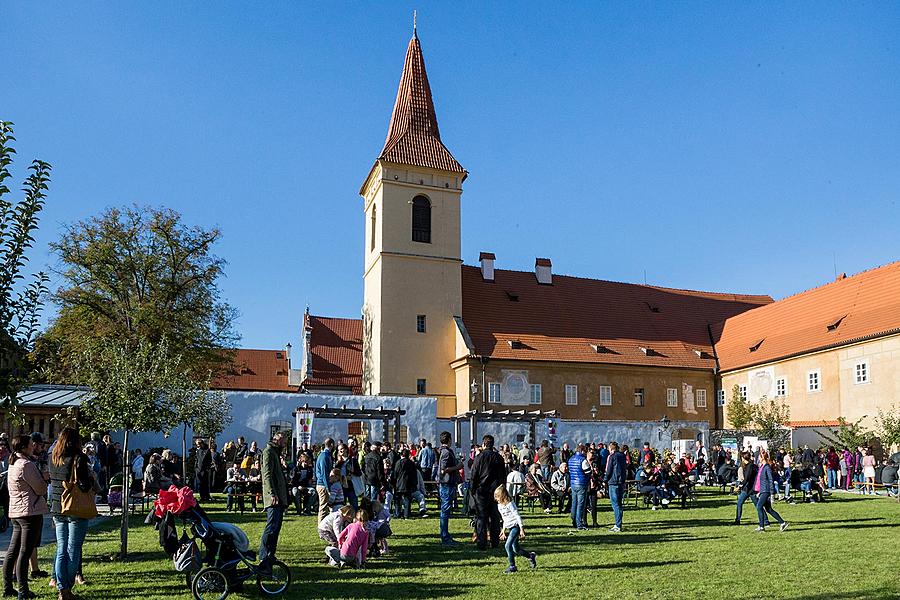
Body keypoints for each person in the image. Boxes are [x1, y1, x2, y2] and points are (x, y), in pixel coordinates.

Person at [49, 428, 98, 600]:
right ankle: (66, 589)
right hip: (75, 507)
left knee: (61, 548)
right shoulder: (79, 458)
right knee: (74, 548)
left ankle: (61, 586)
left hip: (57, 506)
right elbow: (84, 485)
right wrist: (92, 478)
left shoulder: (53, 458)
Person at [3, 434, 49, 600]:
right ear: (23, 447)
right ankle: (23, 590)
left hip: (16, 512)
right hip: (30, 512)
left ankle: (7, 587)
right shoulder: (27, 465)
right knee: (24, 551)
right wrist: (44, 479)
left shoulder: (13, 463)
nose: (33, 446)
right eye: (30, 444)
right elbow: (40, 489)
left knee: (13, 551)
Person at [258, 431, 289, 575]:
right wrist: (272, 493)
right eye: (283, 441)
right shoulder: (269, 452)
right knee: (271, 527)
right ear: (276, 440)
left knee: (276, 528)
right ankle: (264, 555)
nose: (285, 443)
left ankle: (271, 554)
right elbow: (267, 474)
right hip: (274, 498)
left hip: (280, 497)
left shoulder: (276, 453)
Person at [469, 435, 506, 550]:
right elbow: (503, 475)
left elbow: (474, 475)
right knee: (495, 517)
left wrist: (473, 490)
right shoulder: (498, 458)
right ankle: (494, 542)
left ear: (484, 444)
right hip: (495, 491)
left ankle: (481, 542)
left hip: (481, 491)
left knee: (481, 517)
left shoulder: (479, 457)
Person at [494, 484, 536, 575]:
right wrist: (503, 530)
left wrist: (521, 528)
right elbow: (505, 518)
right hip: (509, 527)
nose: (496, 499)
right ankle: (530, 556)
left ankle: (512, 566)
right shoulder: (499, 506)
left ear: (502, 496)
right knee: (516, 549)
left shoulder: (510, 504)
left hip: (515, 527)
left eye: (497, 496)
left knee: (507, 546)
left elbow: (517, 516)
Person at [436, 431, 463, 546]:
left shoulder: (444, 451)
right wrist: (457, 467)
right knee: (445, 511)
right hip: (447, 483)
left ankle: (445, 535)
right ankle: (445, 537)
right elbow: (443, 469)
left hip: (447, 483)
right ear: (449, 439)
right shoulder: (446, 452)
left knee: (446, 511)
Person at [755, 452, 788, 532]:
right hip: (763, 490)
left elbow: (770, 480)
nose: (758, 459)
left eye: (760, 457)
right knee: (769, 509)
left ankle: (761, 526)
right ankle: (782, 523)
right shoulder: (762, 467)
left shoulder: (767, 467)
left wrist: (772, 493)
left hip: (766, 490)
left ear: (763, 458)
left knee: (759, 506)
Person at [604, 441, 627, 533]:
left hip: (613, 482)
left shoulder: (612, 457)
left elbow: (609, 470)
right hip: (621, 481)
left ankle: (618, 525)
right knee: (619, 503)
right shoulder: (622, 456)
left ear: (611, 448)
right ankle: (619, 523)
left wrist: (605, 480)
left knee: (615, 504)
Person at [391, 448, 418, 519]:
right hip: (408, 484)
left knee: (397, 500)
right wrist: (414, 484)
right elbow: (414, 475)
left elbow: (395, 474)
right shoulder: (411, 463)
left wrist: (393, 483)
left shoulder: (398, 463)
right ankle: (406, 514)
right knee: (407, 500)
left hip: (399, 483)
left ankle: (397, 514)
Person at [567, 444, 588, 531]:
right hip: (581, 483)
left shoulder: (571, 459)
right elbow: (587, 471)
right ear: (582, 451)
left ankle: (574, 521)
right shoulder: (583, 460)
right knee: (580, 505)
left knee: (574, 503)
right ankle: (579, 523)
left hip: (573, 483)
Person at [734, 452, 759, 524]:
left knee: (757, 506)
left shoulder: (750, 466)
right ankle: (737, 520)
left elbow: (747, 478)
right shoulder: (751, 465)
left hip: (750, 489)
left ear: (743, 458)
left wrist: (740, 486)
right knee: (740, 503)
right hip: (748, 489)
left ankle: (766, 521)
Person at [315, 438, 335, 523]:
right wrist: (328, 487)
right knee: (323, 508)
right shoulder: (324, 456)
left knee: (326, 507)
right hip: (323, 485)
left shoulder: (323, 455)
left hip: (322, 484)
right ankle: (321, 528)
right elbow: (324, 473)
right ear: (331, 445)